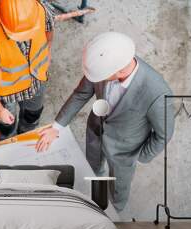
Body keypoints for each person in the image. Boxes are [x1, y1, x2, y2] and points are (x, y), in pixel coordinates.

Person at [36, 32, 175, 211]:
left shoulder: (157, 93)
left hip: (125, 150)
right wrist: (57, 127)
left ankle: (117, 208)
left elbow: (164, 134)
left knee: (119, 186)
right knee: (93, 167)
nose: (95, 79)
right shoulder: (104, 64)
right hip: (95, 132)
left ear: (120, 71)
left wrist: (142, 155)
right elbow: (81, 94)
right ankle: (96, 191)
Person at [0, 0, 54, 140]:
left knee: (32, 118)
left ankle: (25, 138)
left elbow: (49, 28)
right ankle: (9, 143)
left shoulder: (40, 9)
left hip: (37, 81)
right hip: (7, 96)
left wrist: (48, 51)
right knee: (7, 129)